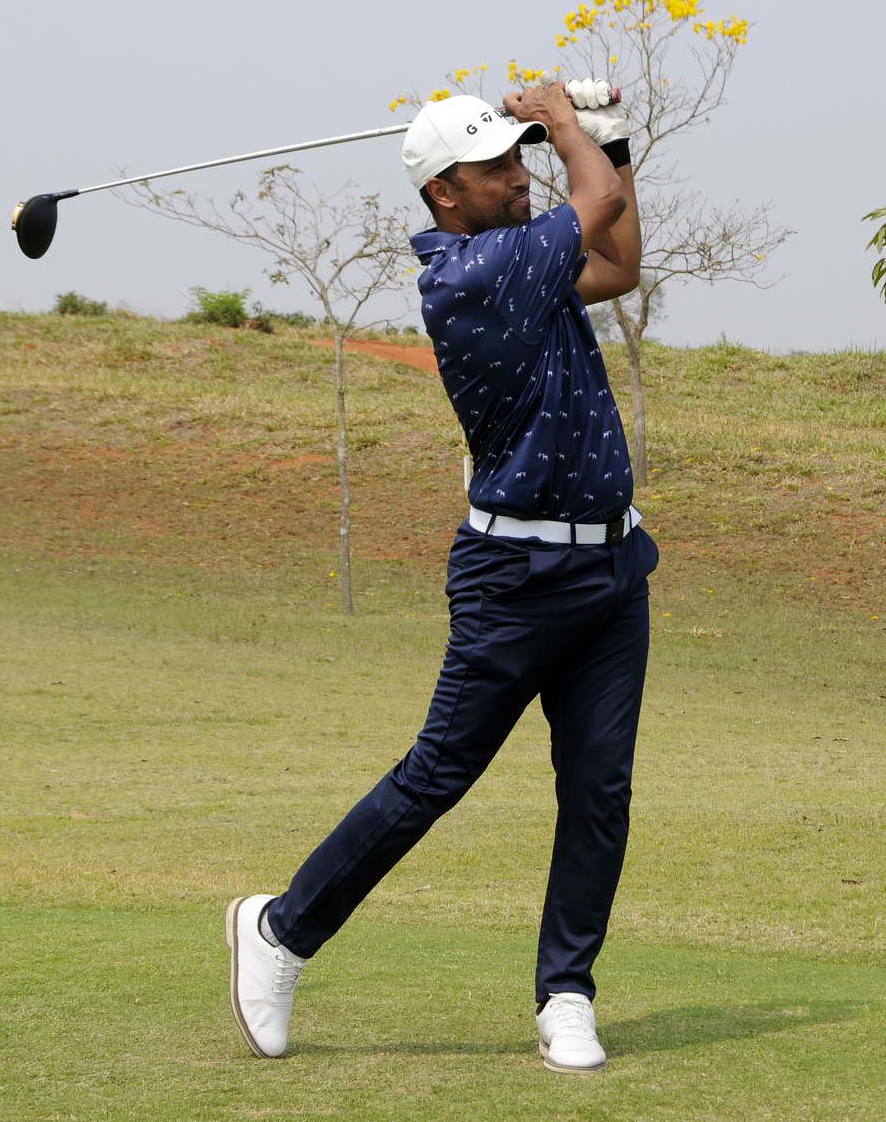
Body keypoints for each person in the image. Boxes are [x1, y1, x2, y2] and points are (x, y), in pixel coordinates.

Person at [225, 78, 652, 1074]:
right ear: (444, 193)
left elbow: (621, 264)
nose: (518, 176)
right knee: (436, 776)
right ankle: (280, 928)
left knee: (599, 790)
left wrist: (613, 140)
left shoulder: (525, 260)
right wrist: (565, 124)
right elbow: (598, 205)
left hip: (612, 567)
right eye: (494, 166)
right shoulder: (471, 275)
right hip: (516, 577)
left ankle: (567, 993)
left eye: (519, 157)